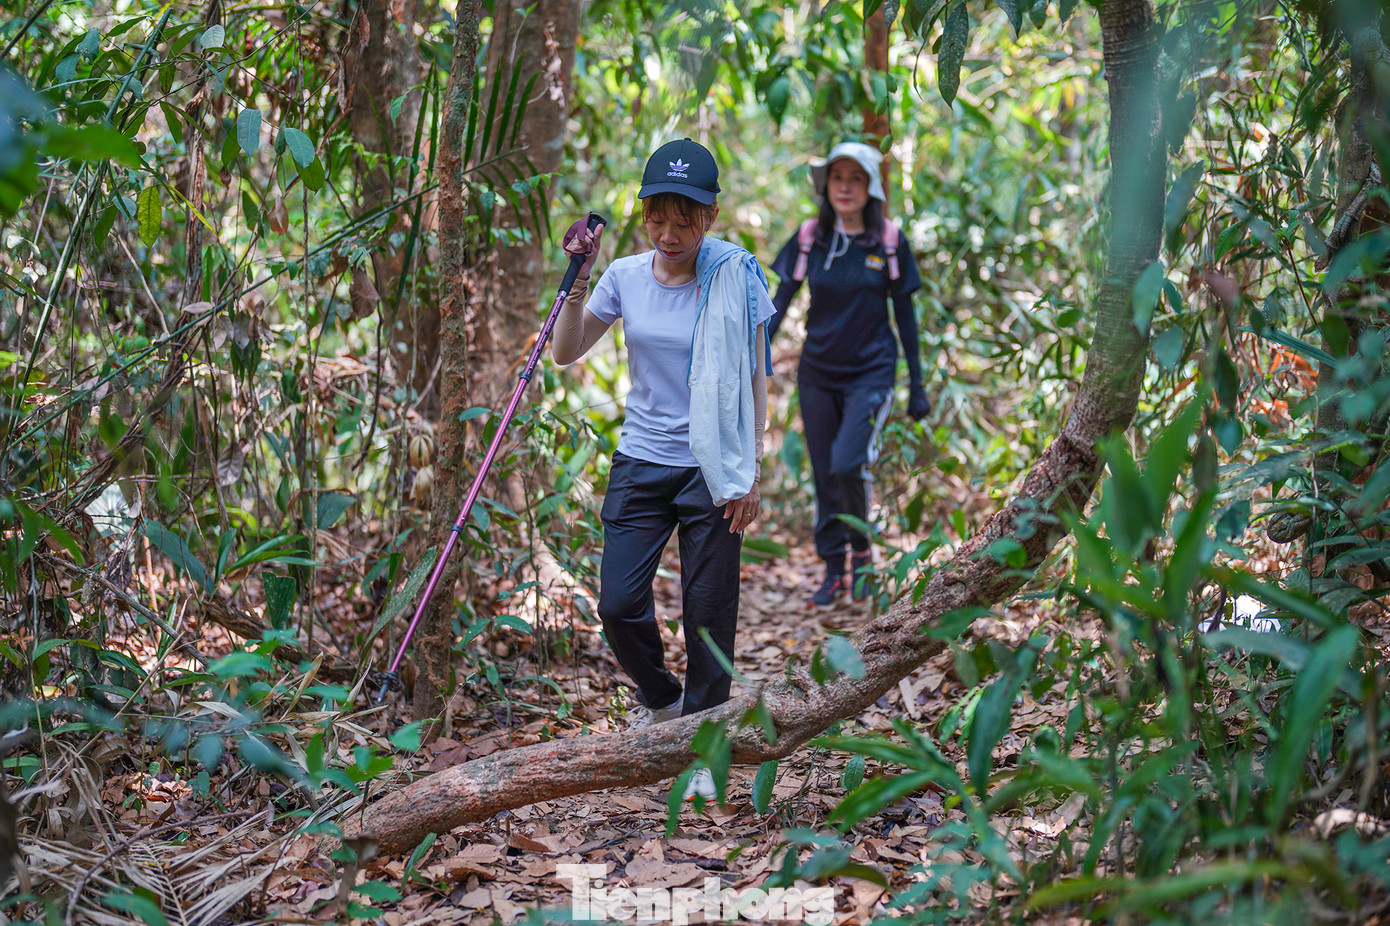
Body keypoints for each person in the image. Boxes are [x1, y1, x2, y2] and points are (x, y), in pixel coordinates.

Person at [553, 138, 774, 800]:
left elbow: (758, 375)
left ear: (709, 216)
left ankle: (706, 748)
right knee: (618, 603)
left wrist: (751, 469)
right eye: (658, 219)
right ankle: (662, 700)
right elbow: (566, 352)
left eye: (685, 220)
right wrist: (579, 279)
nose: (670, 235)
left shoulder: (737, 274)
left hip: (712, 465)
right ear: (643, 214)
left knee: (708, 612)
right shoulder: (623, 274)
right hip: (642, 458)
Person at [768, 141, 930, 609]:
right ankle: (833, 569)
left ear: (870, 187)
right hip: (818, 372)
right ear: (826, 186)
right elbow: (781, 302)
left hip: (871, 373)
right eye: (837, 178)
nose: (845, 187)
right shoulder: (809, 239)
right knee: (823, 473)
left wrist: (917, 386)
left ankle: (862, 555)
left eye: (855, 178)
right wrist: (753, 352)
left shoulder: (889, 242)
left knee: (846, 462)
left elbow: (906, 319)